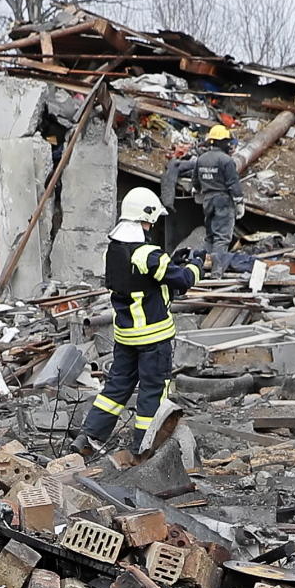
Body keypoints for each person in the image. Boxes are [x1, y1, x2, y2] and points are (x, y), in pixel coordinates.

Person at [83, 187, 199, 454]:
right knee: (153, 391)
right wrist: (196, 265)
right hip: (153, 338)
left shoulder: (112, 251)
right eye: (152, 221)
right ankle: (145, 446)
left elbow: (145, 278)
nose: (152, 226)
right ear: (145, 218)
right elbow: (183, 280)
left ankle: (89, 437)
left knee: (116, 387)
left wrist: (173, 261)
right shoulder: (147, 254)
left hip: (125, 337)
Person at [171, 122, 242, 254]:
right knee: (222, 238)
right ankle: (217, 267)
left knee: (210, 237)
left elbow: (195, 181)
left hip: (208, 201)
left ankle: (205, 264)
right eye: (227, 141)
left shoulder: (201, 159)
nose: (229, 144)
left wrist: (198, 189)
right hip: (223, 201)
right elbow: (233, 183)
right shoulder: (226, 160)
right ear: (222, 142)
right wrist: (239, 202)